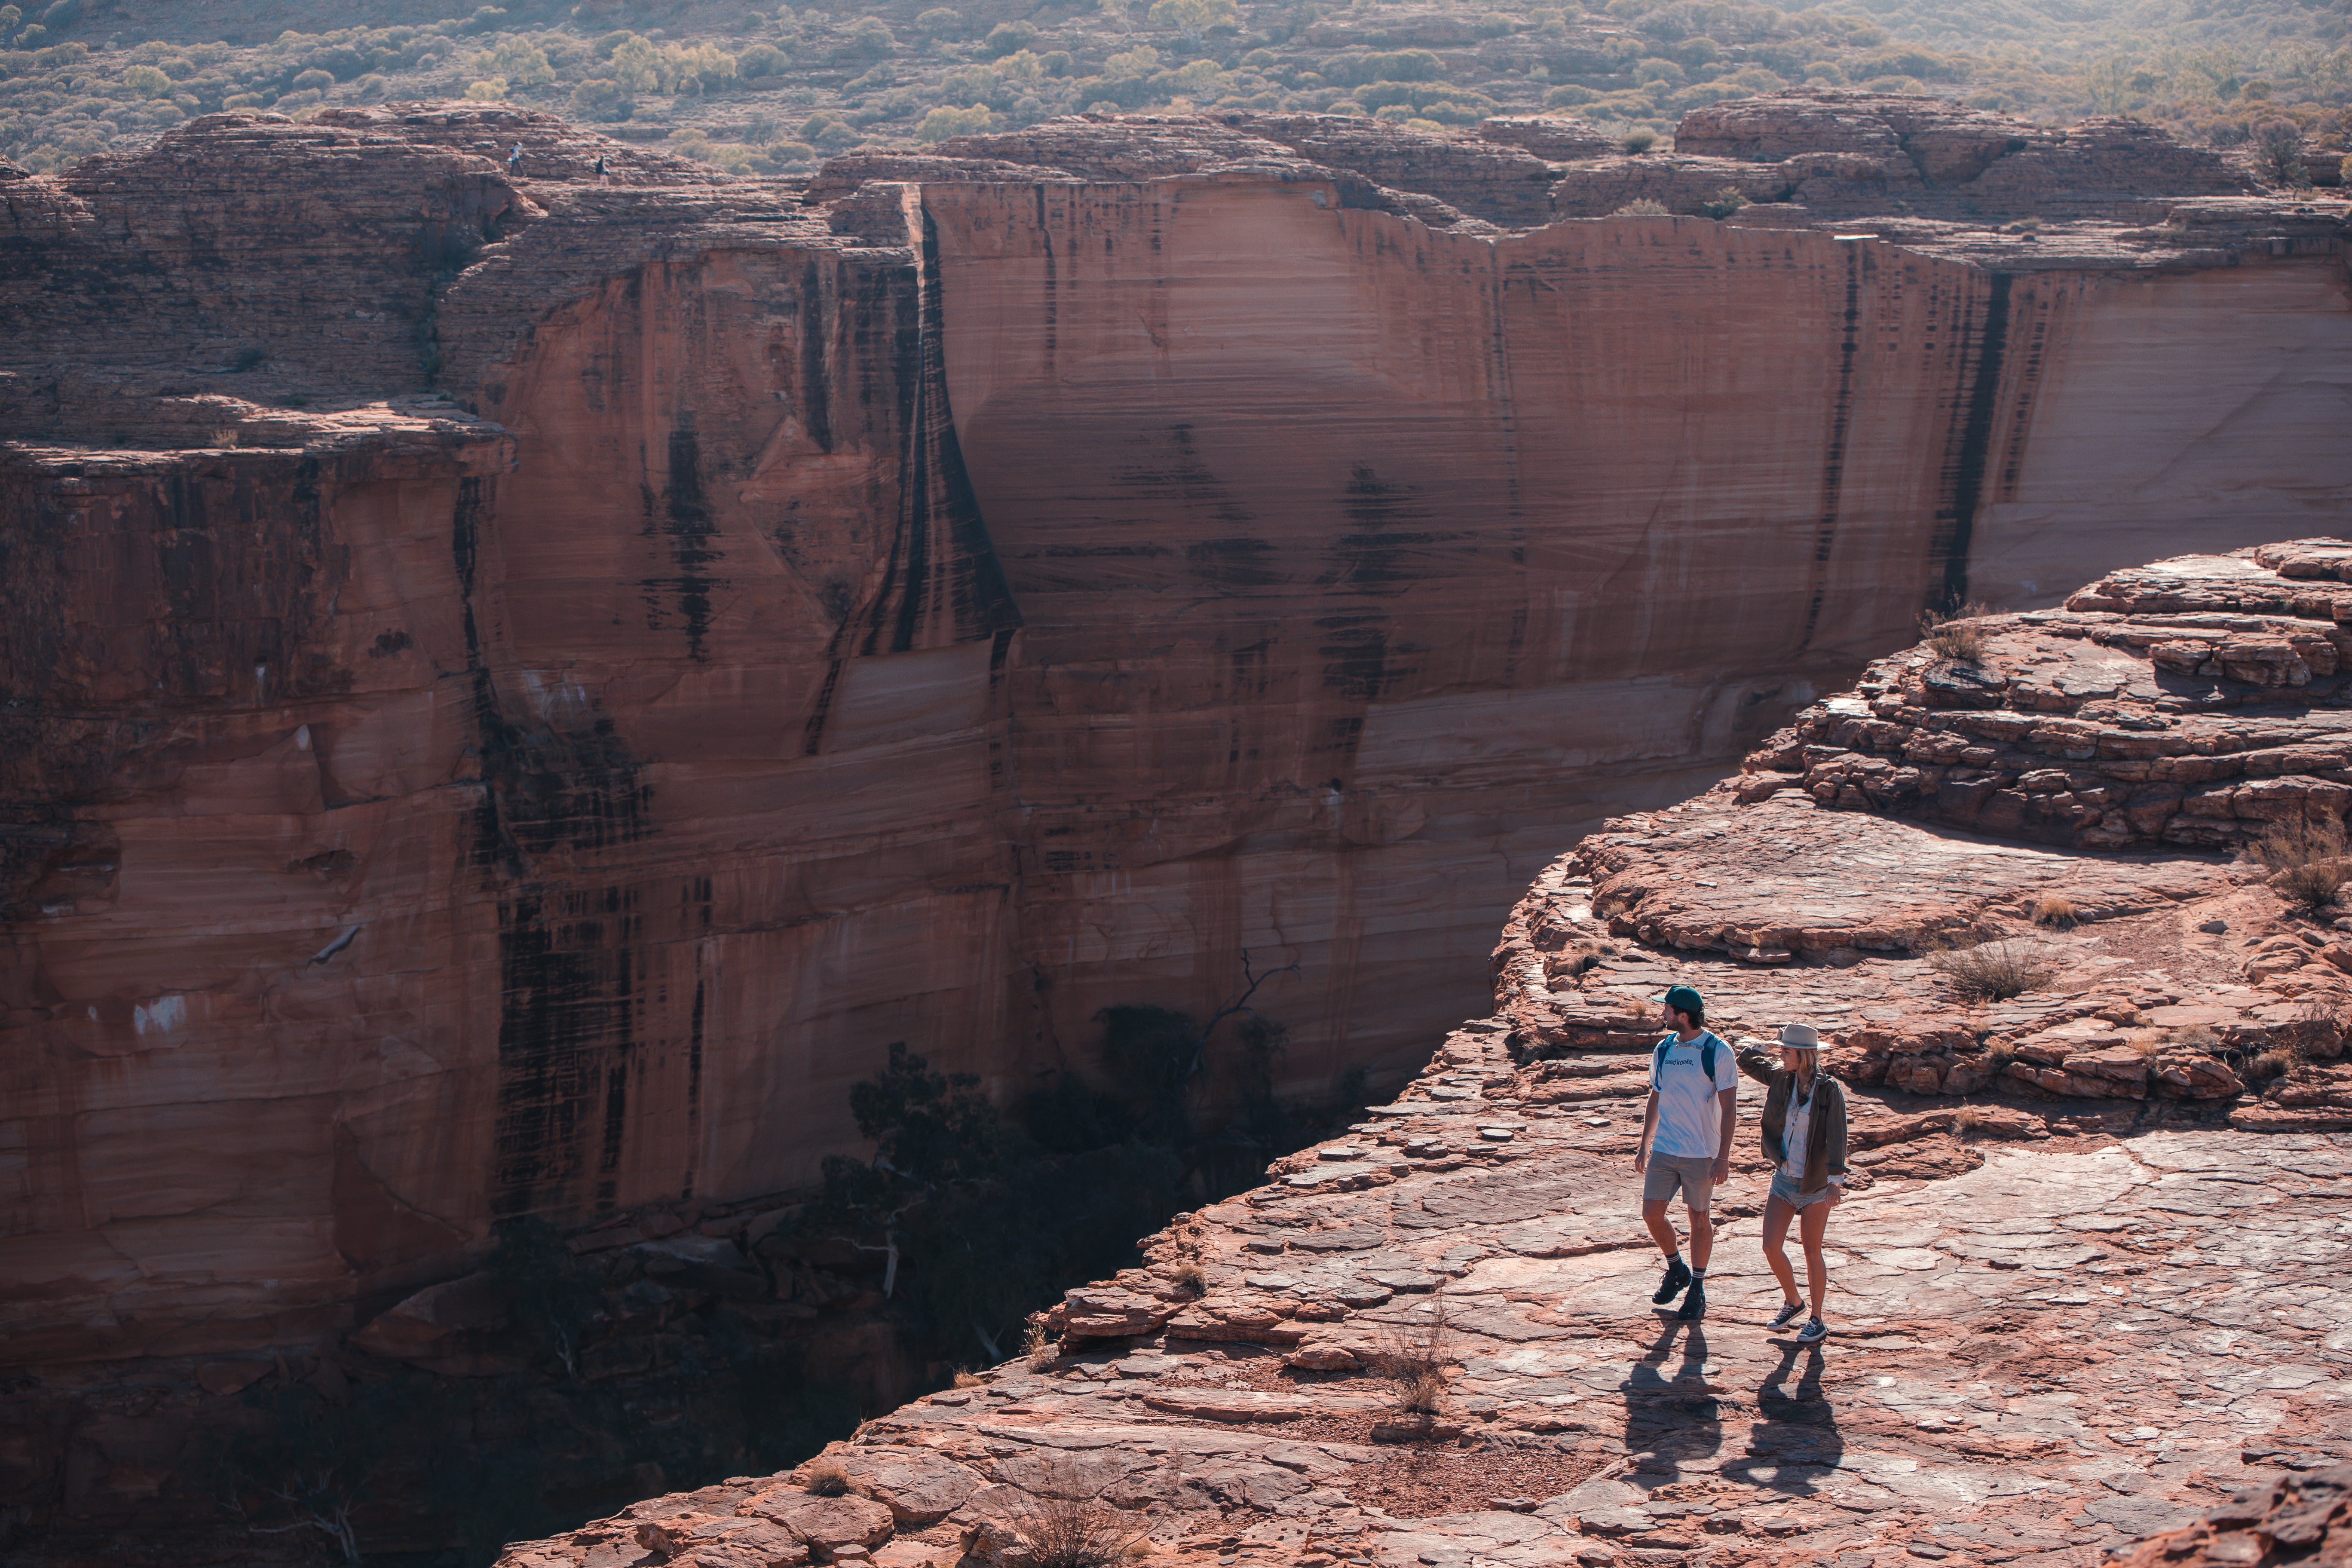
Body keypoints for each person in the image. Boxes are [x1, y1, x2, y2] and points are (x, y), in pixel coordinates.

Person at [1634, 983, 1738, 1321]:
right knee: (1652, 1213)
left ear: (1682, 1015)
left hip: (1701, 1152)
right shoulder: (1664, 1048)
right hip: (1666, 1146)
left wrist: (1723, 1156)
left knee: (1699, 1219)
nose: (1662, 1013)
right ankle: (1677, 1269)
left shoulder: (1717, 1050)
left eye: (1667, 1009)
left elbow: (1730, 1107)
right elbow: (1656, 1095)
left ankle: (1697, 1288)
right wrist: (1644, 1144)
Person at [1746, 1023, 1849, 1345]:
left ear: (1803, 1055)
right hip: (1784, 1179)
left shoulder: (1828, 1090)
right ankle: (1794, 1302)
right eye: (1780, 1050)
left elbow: (1838, 1135)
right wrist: (1765, 1045)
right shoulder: (1781, 1077)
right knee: (1770, 1246)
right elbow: (1746, 1061)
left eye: (1786, 1051)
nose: (1781, 1055)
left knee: (1811, 1251)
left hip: (1815, 1184)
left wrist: (1835, 1181)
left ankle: (1817, 1319)